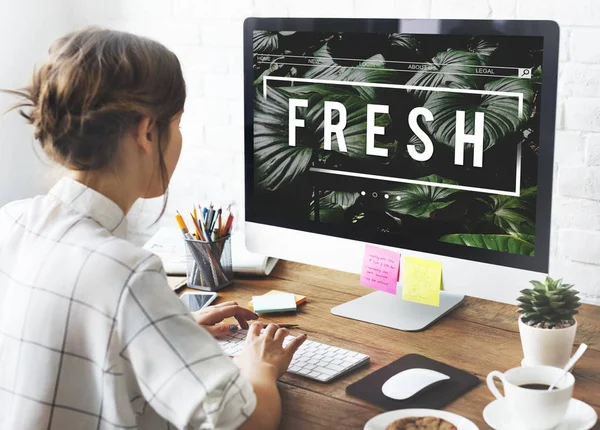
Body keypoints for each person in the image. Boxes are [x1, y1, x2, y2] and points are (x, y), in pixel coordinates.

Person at [0, 27, 306, 430]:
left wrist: (165, 329)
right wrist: (259, 366)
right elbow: (246, 422)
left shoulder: (11, 221)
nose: (177, 139)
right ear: (146, 132)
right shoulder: (126, 273)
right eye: (176, 124)